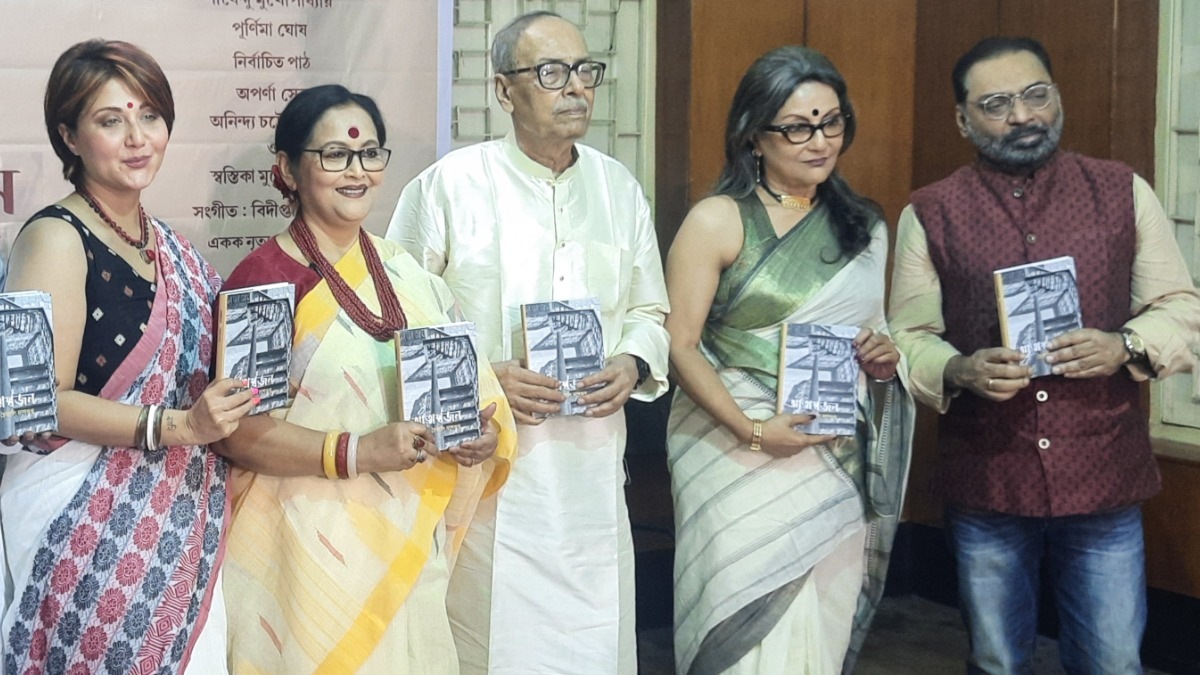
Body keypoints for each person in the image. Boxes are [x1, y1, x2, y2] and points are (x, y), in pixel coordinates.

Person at [889, 36, 1200, 674]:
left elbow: (1180, 306)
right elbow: (908, 335)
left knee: (1113, 662)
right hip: (989, 476)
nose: (1023, 115)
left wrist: (1123, 345)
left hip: (1103, 472)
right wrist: (958, 368)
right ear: (963, 120)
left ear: (1057, 97)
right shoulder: (930, 212)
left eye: (1036, 95)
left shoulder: (1123, 191)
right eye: (997, 104)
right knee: (997, 661)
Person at [385, 11, 670, 673]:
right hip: (486, 470)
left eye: (585, 70)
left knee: (594, 641)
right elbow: (399, 318)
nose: (575, 87)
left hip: (591, 467)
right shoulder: (451, 185)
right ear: (503, 90)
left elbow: (650, 308)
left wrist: (631, 361)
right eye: (551, 72)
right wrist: (483, 377)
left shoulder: (618, 189)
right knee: (493, 640)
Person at [214, 84, 517, 673]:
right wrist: (359, 451)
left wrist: (476, 436)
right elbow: (239, 434)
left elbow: (468, 396)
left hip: (406, 548)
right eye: (334, 154)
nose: (356, 171)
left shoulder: (407, 273)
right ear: (288, 169)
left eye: (370, 153)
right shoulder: (265, 282)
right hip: (302, 551)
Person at [0, 39, 257, 674]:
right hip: (79, 526)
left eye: (150, 115)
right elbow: (39, 402)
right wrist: (180, 426)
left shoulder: (172, 246)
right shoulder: (55, 238)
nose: (137, 138)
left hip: (178, 524)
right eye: (111, 120)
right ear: (69, 136)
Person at [664, 46, 915, 675]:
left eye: (832, 122)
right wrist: (752, 430)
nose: (820, 141)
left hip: (831, 455)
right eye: (798, 127)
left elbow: (873, 334)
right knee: (739, 623)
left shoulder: (864, 226)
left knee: (819, 627)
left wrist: (883, 361)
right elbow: (679, 343)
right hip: (730, 452)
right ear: (754, 135)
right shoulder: (718, 220)